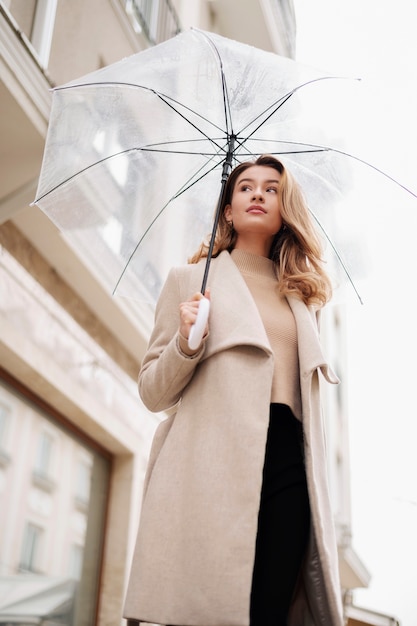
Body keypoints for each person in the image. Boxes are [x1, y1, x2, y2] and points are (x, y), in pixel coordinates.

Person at [124, 155, 344, 626]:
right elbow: (152, 393)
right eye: (245, 187)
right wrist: (187, 340)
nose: (258, 194)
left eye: (271, 188)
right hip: (216, 465)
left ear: (286, 208)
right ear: (227, 210)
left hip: (289, 461)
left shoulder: (302, 297)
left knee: (270, 608)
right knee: (213, 610)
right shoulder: (191, 282)